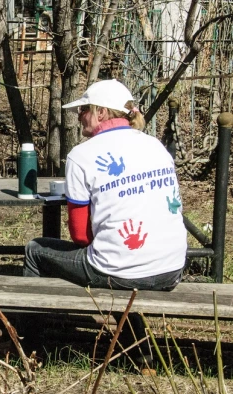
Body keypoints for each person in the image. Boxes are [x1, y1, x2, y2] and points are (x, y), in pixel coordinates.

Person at [23, 79, 187, 367]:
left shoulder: (82, 156)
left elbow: (80, 236)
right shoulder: (156, 146)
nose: (79, 115)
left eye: (84, 109)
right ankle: (142, 354)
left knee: (36, 250)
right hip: (171, 269)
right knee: (124, 262)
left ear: (100, 112)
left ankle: (30, 347)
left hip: (120, 269)